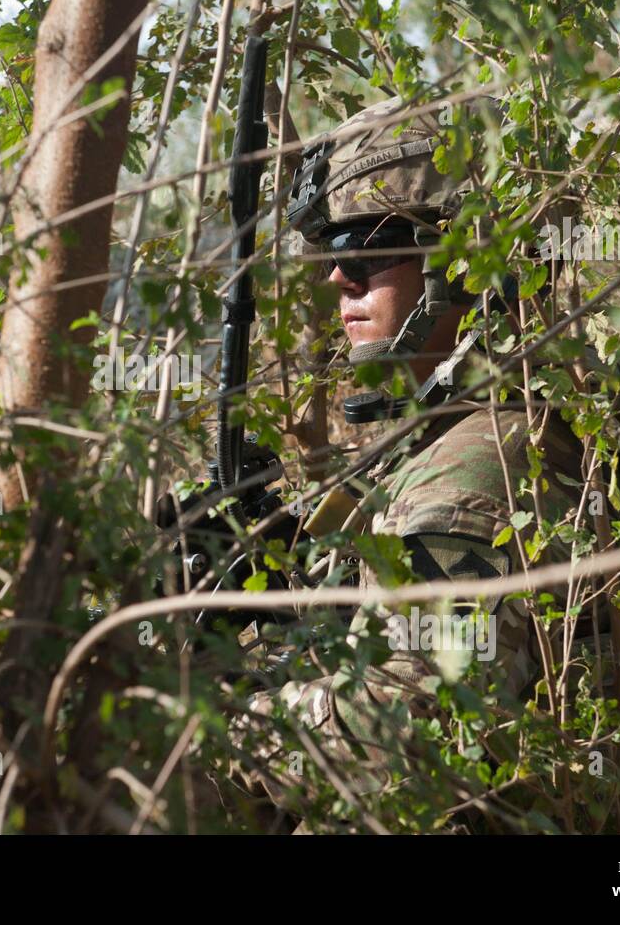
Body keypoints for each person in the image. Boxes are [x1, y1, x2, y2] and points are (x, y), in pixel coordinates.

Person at [230, 97, 596, 823]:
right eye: (333, 254)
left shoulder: (482, 458)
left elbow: (416, 725)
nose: (339, 280)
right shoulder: (455, 430)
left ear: (464, 267)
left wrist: (221, 730)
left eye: (365, 250)